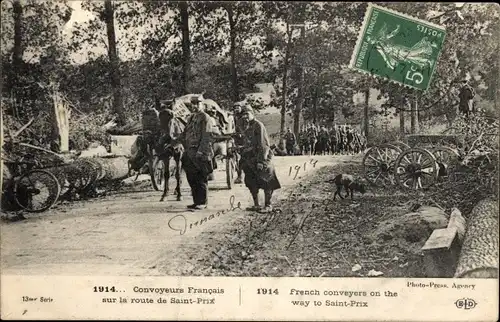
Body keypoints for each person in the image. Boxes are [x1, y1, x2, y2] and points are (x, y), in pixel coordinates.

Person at [240, 105, 281, 213]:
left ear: (252, 114)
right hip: (251, 158)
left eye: (247, 114)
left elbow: (263, 145)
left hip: (262, 157)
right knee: (251, 181)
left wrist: (261, 161)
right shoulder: (247, 127)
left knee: (266, 180)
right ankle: (256, 205)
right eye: (243, 114)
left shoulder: (259, 125)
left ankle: (268, 205)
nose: (245, 117)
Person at [180, 97, 218, 210]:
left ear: (202, 105)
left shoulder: (205, 118)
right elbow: (185, 132)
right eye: (192, 104)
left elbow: (207, 136)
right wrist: (173, 141)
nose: (194, 106)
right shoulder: (191, 117)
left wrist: (201, 151)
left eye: (197, 104)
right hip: (190, 151)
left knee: (201, 178)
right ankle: (196, 201)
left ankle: (203, 202)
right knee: (191, 177)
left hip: (200, 152)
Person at [232, 103, 247, 184]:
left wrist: (242, 133)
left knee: (244, 158)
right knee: (237, 158)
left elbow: (247, 128)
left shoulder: (244, 117)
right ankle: (240, 176)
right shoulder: (234, 117)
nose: (237, 109)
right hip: (237, 139)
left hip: (245, 139)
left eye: (238, 108)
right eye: (235, 108)